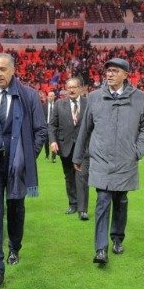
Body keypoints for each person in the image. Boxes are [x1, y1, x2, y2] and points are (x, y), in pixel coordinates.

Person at [0, 53, 47, 289]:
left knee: (15, 209)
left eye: (3, 69)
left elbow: (41, 131)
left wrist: (27, 158)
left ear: (13, 70)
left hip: (17, 165)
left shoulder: (29, 95)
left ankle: (15, 246)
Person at [73, 57, 144, 266]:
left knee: (121, 201)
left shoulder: (140, 99)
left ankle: (117, 238)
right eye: (108, 70)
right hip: (101, 160)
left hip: (126, 161)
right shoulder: (94, 97)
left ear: (126, 75)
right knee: (102, 200)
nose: (110, 74)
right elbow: (85, 129)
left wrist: (137, 151)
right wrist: (77, 156)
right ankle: (101, 249)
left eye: (115, 71)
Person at [48, 77, 89, 219]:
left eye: (74, 87)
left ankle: (82, 209)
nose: (71, 90)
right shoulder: (59, 104)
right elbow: (52, 125)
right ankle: (73, 204)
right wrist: (53, 141)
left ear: (80, 88)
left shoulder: (88, 103)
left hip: (83, 147)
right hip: (65, 147)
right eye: (69, 87)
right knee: (69, 177)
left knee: (82, 176)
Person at [44, 91, 57, 162]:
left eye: (52, 96)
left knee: (54, 141)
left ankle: (53, 157)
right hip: (46, 125)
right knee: (46, 142)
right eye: (49, 96)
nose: (50, 97)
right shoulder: (44, 106)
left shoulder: (57, 106)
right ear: (47, 97)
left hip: (54, 126)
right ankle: (47, 154)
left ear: (54, 97)